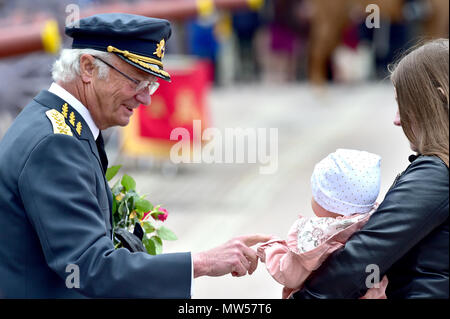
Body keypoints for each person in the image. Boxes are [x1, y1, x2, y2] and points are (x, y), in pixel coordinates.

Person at [0, 13, 270, 298]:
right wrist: (202, 262)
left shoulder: (55, 121)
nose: (146, 98)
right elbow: (90, 267)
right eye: (137, 81)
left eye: (150, 85)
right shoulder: (56, 143)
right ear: (88, 67)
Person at [292, 38, 449, 299]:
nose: (397, 119)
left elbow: (362, 257)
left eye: (405, 105)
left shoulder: (436, 174)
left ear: (438, 99)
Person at [257, 149, 388, 299]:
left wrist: (271, 249)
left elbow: (289, 275)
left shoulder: (319, 236)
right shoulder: (375, 220)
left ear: (327, 201)